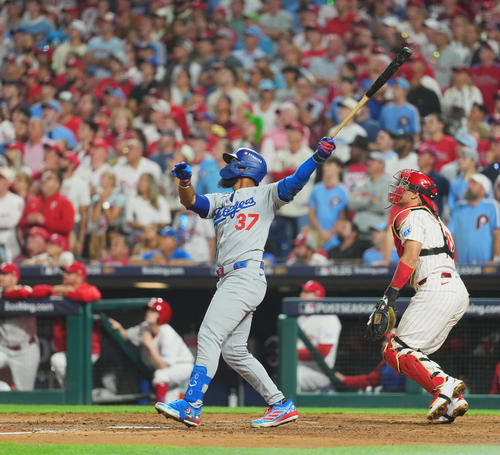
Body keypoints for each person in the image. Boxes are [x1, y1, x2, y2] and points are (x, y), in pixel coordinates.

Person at [155, 136, 337, 428]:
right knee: (234, 351)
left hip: (245, 275)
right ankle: (280, 404)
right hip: (231, 278)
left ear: (245, 167)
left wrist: (317, 158)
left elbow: (295, 181)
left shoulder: (266, 194)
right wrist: (185, 182)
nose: (228, 165)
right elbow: (190, 202)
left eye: (233, 161)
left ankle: (191, 403)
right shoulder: (221, 199)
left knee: (209, 334)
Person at [367, 169, 469, 423]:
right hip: (455, 289)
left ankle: (445, 383)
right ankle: (453, 401)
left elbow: (410, 256)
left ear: (416, 194)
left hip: (436, 287)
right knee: (412, 353)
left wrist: (390, 294)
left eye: (405, 185)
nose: (399, 189)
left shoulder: (411, 214)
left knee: (394, 349)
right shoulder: (437, 221)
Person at [109, 298, 194, 404]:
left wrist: (149, 345)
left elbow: (163, 365)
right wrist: (119, 327)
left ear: (162, 315)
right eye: (148, 310)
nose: (148, 313)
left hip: (182, 366)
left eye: (153, 311)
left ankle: (159, 404)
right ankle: (163, 407)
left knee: (160, 376)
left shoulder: (167, 333)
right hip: (168, 370)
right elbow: (126, 335)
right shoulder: (144, 327)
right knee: (169, 405)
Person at [32, 261, 101, 386]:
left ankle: (76, 391)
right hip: (66, 350)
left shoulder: (87, 289)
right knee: (57, 360)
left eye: (69, 273)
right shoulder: (59, 290)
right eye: (65, 273)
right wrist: (54, 289)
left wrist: (67, 293)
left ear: (80, 276)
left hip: (87, 350)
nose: (65, 275)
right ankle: (71, 391)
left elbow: (92, 295)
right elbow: (35, 292)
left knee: (75, 373)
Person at [0, 263, 39, 391]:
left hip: (25, 350)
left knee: (25, 392)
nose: (1, 277)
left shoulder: (25, 289)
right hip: (3, 349)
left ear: (15, 277)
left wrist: (4, 296)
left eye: (5, 274)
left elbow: (22, 294)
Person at [297, 280, 342, 393]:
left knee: (294, 376)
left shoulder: (329, 318)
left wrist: (292, 353)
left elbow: (323, 351)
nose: (302, 295)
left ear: (318, 296)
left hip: (321, 372)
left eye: (307, 292)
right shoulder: (300, 318)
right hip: (299, 366)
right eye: (302, 291)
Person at [448, 174, 500, 265]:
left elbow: (497, 233)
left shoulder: (491, 206)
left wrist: (496, 259)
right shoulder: (458, 207)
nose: (469, 186)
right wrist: (449, 260)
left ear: (484, 189)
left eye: (474, 183)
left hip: (487, 265)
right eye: (469, 183)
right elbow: (450, 235)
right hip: (461, 265)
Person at [335, 332, 405, 393]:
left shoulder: (407, 360)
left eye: (388, 341)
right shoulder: (384, 363)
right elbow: (369, 380)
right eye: (385, 340)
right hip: (389, 399)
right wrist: (346, 379)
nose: (383, 343)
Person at [308, 157, 348, 251]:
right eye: (325, 165)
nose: (326, 168)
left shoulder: (343, 191)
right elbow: (311, 214)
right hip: (317, 236)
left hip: (335, 237)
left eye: (330, 165)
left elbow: (342, 216)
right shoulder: (316, 189)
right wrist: (321, 232)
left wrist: (330, 234)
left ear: (338, 169)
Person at [0, 167, 24, 262]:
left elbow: (11, 222)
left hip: (10, 243)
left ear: (8, 182)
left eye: (1, 178)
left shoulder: (16, 200)